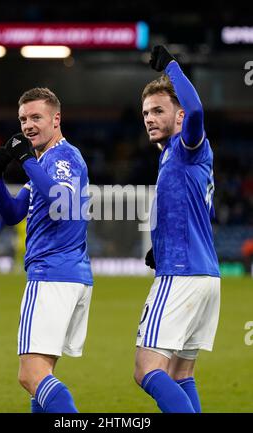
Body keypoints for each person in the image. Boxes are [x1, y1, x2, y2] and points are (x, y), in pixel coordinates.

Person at [0, 87, 93, 413]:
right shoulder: (45, 161)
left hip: (52, 275)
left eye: (36, 117)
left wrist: (24, 161)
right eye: (23, 119)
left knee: (30, 374)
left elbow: (59, 199)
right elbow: (12, 214)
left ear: (55, 119)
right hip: (68, 276)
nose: (28, 125)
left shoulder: (62, 157)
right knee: (41, 379)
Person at [134, 46, 221, 413]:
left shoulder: (189, 145)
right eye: (145, 113)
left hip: (182, 275)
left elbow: (198, 110)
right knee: (181, 373)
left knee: (146, 369)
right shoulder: (172, 154)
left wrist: (171, 67)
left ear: (180, 115)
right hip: (204, 276)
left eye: (158, 110)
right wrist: (161, 244)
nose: (150, 118)